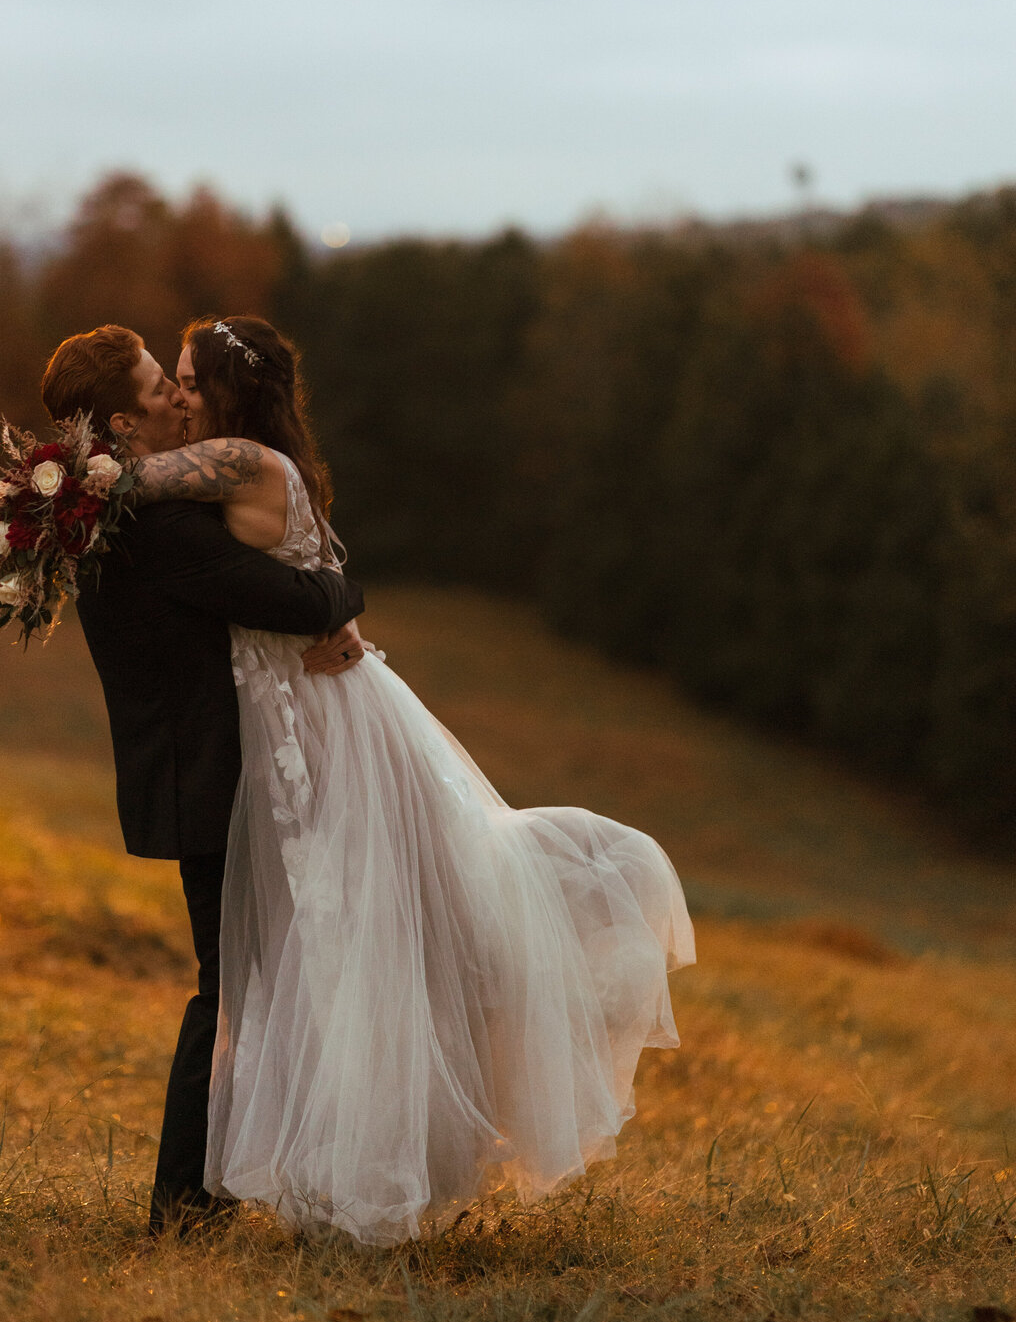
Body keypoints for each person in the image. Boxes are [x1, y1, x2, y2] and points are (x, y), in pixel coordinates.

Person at [132, 313, 696, 1247]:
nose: (178, 395)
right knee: (345, 938)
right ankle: (340, 1163)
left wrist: (58, 480)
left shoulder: (233, 457)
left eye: (187, 378)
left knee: (356, 934)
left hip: (320, 724)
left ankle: (355, 1168)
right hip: (311, 708)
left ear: (228, 391)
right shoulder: (269, 462)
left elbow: (135, 481)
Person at [39, 324, 366, 1235]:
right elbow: (296, 599)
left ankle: (210, 1192)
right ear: (120, 418)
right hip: (214, 778)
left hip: (211, 769)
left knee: (243, 984)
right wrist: (344, 597)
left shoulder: (122, 513)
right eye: (158, 388)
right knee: (229, 990)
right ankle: (183, 1204)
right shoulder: (157, 526)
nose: (177, 399)